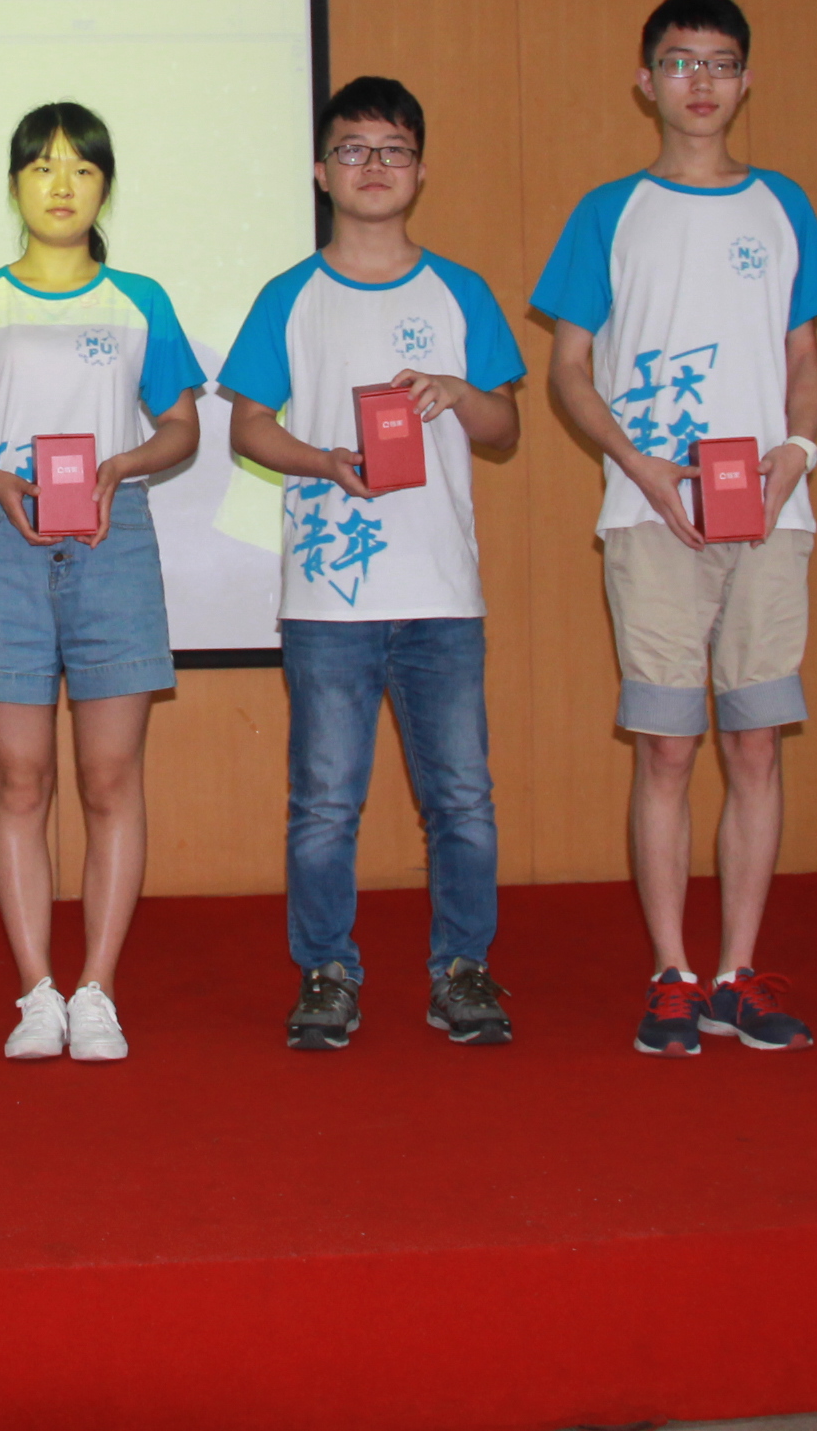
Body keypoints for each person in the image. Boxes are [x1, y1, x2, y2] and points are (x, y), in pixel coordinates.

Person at [535, 0, 817, 1058]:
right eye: (678, 61)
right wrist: (639, 465)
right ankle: (670, 973)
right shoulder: (607, 212)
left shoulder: (784, 205)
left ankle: (736, 974)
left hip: (771, 521)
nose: (699, 81)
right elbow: (568, 371)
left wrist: (798, 451)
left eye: (718, 63)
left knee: (754, 744)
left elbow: (806, 361)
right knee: (666, 749)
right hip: (649, 514)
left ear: (746, 81)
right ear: (646, 81)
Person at [218, 76, 524, 1051]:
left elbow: (506, 428)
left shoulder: (459, 290)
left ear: (420, 171)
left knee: (462, 800)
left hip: (442, 595)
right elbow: (248, 427)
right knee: (323, 806)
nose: (374, 167)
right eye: (353, 150)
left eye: (393, 150)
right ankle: (328, 972)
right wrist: (323, 461)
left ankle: (463, 970)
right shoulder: (291, 296)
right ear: (323, 172)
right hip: (328, 601)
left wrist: (457, 392)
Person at [0, 104, 204, 1063]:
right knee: (20, 777)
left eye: (81, 168)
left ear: (105, 186)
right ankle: (37, 990)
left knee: (110, 778)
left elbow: (182, 427)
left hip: (114, 542)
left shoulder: (139, 300)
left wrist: (123, 465)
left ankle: (97, 988)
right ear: (15, 185)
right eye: (42, 167)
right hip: (2, 541)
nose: (61, 184)